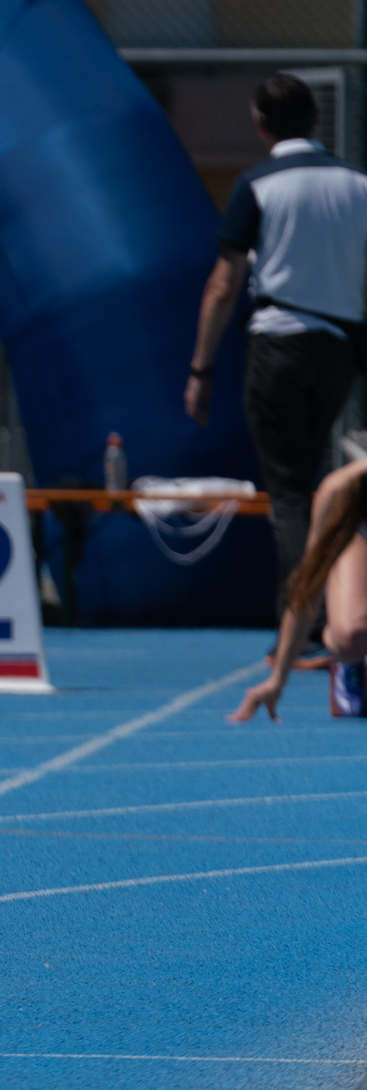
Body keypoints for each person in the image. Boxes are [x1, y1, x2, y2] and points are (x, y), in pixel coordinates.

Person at [186, 73, 367, 618]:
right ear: (317, 119)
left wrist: (201, 368)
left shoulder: (257, 185)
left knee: (288, 492)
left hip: (280, 345)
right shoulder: (358, 184)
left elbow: (224, 285)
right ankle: (336, 607)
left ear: (261, 126)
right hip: (341, 348)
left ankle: (303, 623)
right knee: (319, 477)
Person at [240, 455, 367, 720]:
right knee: (351, 636)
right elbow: (309, 590)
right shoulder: (342, 490)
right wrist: (277, 679)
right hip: (360, 538)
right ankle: (347, 659)